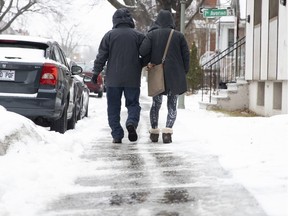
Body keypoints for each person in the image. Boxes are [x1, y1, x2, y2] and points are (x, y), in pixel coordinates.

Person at [92, 8, 145, 144]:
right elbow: (147, 51)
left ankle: (117, 134)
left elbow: (101, 56)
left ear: (115, 20)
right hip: (132, 78)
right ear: (130, 20)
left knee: (113, 107)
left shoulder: (109, 35)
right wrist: (140, 63)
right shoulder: (138, 36)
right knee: (133, 104)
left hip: (113, 79)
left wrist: (96, 72)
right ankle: (131, 122)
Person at [139, 10, 190, 143]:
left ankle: (154, 132)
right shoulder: (179, 36)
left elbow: (143, 51)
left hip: (157, 73)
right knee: (172, 104)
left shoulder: (151, 35)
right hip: (175, 74)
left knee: (156, 103)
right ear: (171, 21)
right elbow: (186, 56)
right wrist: (184, 71)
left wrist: (148, 62)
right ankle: (167, 132)